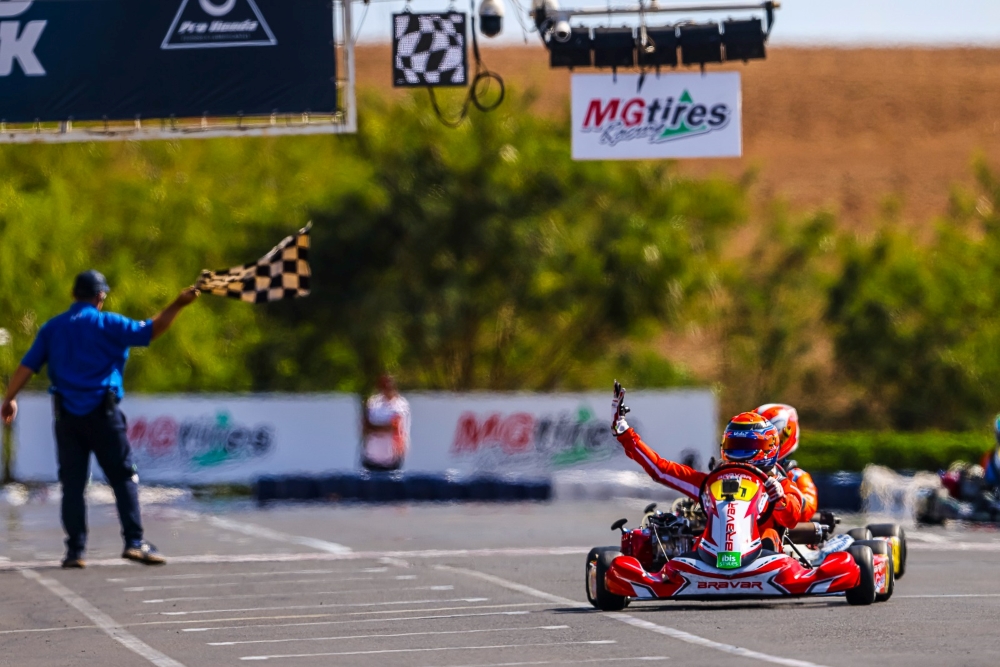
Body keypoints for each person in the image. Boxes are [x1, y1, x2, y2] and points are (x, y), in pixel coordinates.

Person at [1, 270, 199, 568]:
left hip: (66, 414)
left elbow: (27, 366)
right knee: (123, 477)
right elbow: (152, 330)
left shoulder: (53, 328)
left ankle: (75, 551)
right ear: (100, 297)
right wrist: (179, 303)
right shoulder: (110, 323)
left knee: (73, 485)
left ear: (73, 295)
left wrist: (10, 398)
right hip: (103, 413)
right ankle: (134, 541)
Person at [611, 382, 803, 551]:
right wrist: (625, 434)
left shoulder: (781, 485)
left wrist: (778, 499)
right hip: (711, 556)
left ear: (768, 448)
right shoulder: (709, 484)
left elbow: (791, 518)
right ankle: (693, 562)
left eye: (747, 448)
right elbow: (661, 469)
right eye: (734, 447)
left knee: (770, 535)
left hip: (763, 555)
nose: (739, 454)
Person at [756, 403, 818, 523]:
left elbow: (808, 509)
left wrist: (784, 493)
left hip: (783, 535)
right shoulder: (743, 474)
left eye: (764, 441)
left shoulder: (797, 476)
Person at [360, 374, 410, 472]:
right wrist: (381, 426)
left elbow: (393, 427)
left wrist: (374, 427)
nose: (387, 388)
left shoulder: (400, 405)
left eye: (389, 385)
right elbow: (365, 427)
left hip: (391, 458)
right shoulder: (373, 403)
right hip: (371, 456)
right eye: (384, 385)